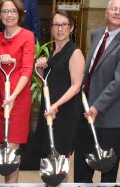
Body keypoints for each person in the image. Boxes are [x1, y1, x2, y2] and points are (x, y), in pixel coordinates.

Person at [73, 0, 120, 183]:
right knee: (82, 165)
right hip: (86, 110)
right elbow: (90, 70)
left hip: (110, 115)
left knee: (107, 168)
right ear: (106, 12)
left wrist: (97, 106)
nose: (117, 13)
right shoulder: (96, 34)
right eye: (113, 9)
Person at [32, 11, 84, 182]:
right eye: (56, 25)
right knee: (50, 156)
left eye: (64, 24)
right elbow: (45, 83)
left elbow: (76, 86)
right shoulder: (53, 52)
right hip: (50, 110)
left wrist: (56, 106)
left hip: (64, 112)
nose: (59, 29)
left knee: (61, 158)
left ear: (71, 27)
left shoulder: (74, 52)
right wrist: (40, 69)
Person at [0, 0, 34, 183]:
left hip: (18, 98)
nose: (9, 15)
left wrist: (15, 96)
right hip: (1, 97)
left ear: (19, 13)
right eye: (5, 11)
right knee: (3, 146)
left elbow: (27, 69)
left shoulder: (27, 36)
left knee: (12, 148)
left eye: (13, 11)